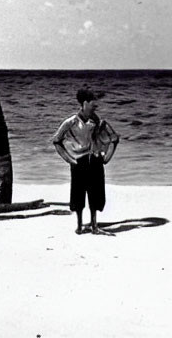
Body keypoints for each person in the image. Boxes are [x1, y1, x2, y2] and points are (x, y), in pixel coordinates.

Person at [52, 87, 120, 235]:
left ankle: (95, 226)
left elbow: (115, 138)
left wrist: (107, 158)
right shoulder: (71, 122)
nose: (96, 104)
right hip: (79, 163)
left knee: (96, 194)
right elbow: (57, 141)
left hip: (95, 161)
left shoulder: (99, 122)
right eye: (92, 101)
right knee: (78, 195)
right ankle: (79, 225)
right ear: (84, 102)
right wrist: (69, 159)